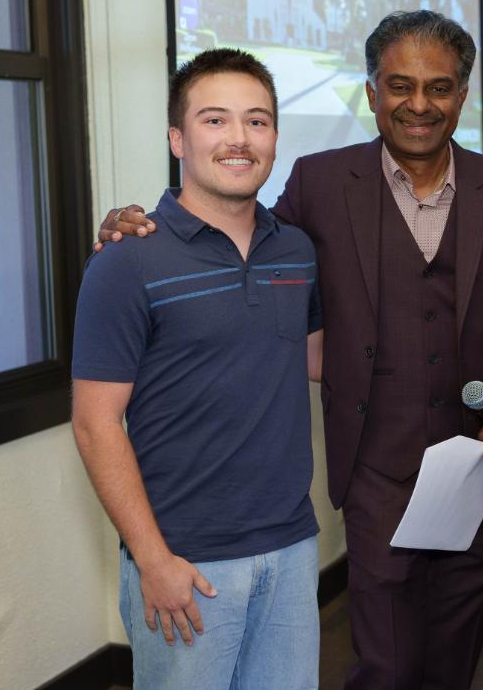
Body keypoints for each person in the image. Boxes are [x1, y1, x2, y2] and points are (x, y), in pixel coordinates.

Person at [99, 10, 483, 688]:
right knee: (386, 664)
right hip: (376, 471)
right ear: (372, 92)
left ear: (462, 96)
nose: (419, 104)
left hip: (480, 471)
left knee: (453, 661)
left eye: (438, 87)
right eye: (400, 85)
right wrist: (136, 226)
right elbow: (240, 237)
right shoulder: (320, 184)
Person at [71, 48, 324, 689]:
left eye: (257, 121)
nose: (239, 138)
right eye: (215, 120)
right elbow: (96, 424)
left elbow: (318, 361)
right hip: (185, 560)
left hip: (292, 549)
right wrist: (152, 560)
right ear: (178, 139)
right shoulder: (126, 261)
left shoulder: (296, 250)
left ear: (274, 138)